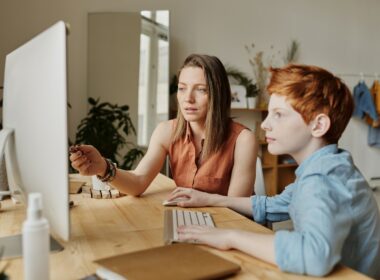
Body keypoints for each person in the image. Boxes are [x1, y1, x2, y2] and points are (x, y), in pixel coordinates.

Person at [169, 64, 380, 278]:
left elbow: (314, 255)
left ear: (318, 126)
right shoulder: (328, 165)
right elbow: (273, 205)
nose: (265, 125)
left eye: (278, 115)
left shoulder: (322, 179)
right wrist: (209, 199)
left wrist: (230, 237)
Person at [70, 54, 258, 197]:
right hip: (189, 223)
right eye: (182, 88)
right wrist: (103, 167)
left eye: (201, 90)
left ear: (218, 95)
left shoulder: (243, 140)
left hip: (228, 230)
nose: (188, 98)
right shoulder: (166, 131)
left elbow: (236, 209)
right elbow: (138, 182)